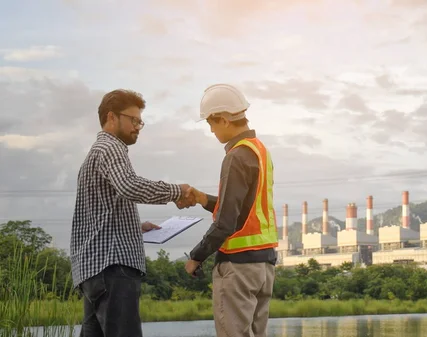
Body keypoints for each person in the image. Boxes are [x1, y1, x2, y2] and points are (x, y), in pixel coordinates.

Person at [70, 89, 199, 337]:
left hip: (93, 272)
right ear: (112, 117)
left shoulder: (95, 154)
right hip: (113, 269)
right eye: (134, 119)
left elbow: (96, 217)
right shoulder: (111, 148)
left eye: (141, 121)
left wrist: (136, 228)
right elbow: (130, 186)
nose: (138, 126)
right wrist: (177, 191)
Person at [184, 83, 278, 337]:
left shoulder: (236, 156)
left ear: (224, 120)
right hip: (263, 267)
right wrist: (205, 200)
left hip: (238, 269)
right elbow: (243, 210)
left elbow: (227, 222)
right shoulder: (259, 151)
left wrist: (196, 256)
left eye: (211, 125)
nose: (212, 131)